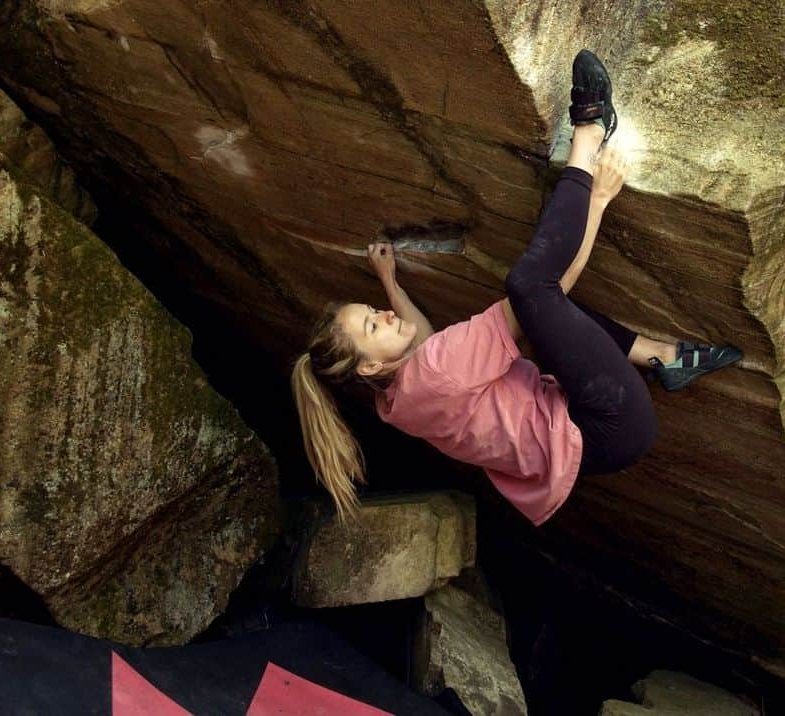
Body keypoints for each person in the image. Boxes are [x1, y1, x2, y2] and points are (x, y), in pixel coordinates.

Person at [291, 50, 742, 522]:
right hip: (610, 424)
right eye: (372, 324)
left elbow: (424, 344)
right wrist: (598, 200)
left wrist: (389, 284)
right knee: (529, 289)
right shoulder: (440, 371)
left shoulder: (396, 403)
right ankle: (588, 131)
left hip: (590, 444)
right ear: (368, 366)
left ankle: (662, 357)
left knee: (544, 316)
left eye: (372, 309)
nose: (384, 316)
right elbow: (547, 290)